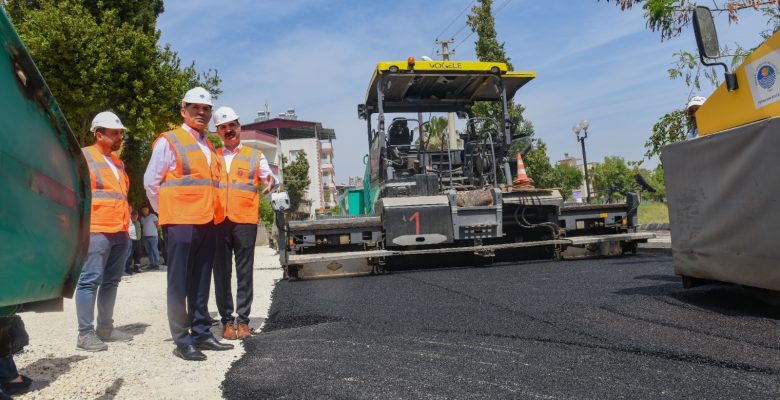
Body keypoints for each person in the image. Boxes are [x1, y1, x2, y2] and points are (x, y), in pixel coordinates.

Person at [143, 87, 233, 361]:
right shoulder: (169, 141)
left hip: (207, 222)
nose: (202, 113)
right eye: (195, 108)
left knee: (201, 281)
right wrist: (167, 212)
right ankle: (182, 340)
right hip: (180, 223)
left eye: (206, 109)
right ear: (184, 110)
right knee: (179, 284)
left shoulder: (209, 146)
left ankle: (203, 333)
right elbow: (151, 182)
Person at [212, 107, 277, 340]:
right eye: (223, 127)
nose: (229, 130)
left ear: (239, 127)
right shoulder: (212, 156)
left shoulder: (254, 155)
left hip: (245, 222)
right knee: (221, 273)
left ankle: (244, 321)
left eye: (233, 125)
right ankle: (227, 322)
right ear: (218, 131)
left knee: (244, 273)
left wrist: (271, 182)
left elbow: (269, 177)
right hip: (218, 221)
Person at [75, 111, 133, 352]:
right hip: (96, 229)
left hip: (120, 230)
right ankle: (84, 334)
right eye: (115, 133)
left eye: (120, 133)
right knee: (89, 281)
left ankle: (105, 328)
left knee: (111, 282)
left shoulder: (118, 163)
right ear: (99, 134)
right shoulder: (83, 157)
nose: (120, 137)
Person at [124, 209, 142, 274]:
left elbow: (139, 231)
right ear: (131, 215)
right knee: (130, 255)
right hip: (131, 240)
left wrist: (139, 238)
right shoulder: (128, 221)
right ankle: (127, 268)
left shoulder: (138, 222)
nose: (135, 216)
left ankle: (136, 267)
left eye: (136, 215)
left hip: (138, 240)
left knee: (137, 254)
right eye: (133, 215)